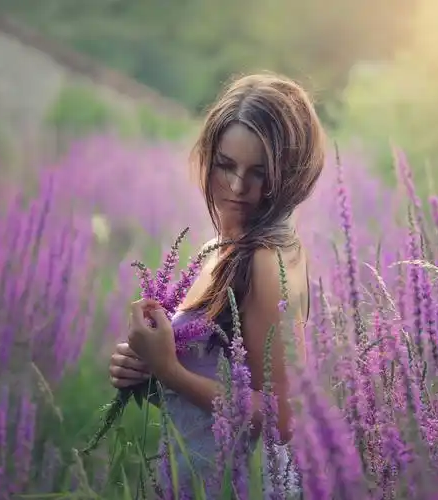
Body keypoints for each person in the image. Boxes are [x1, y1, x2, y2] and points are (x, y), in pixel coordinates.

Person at [108, 72, 325, 498]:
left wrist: (168, 370)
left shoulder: (265, 261)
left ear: (290, 176)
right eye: (226, 165)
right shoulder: (220, 248)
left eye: (259, 173)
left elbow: (282, 419)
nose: (237, 187)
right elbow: (212, 394)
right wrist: (147, 370)